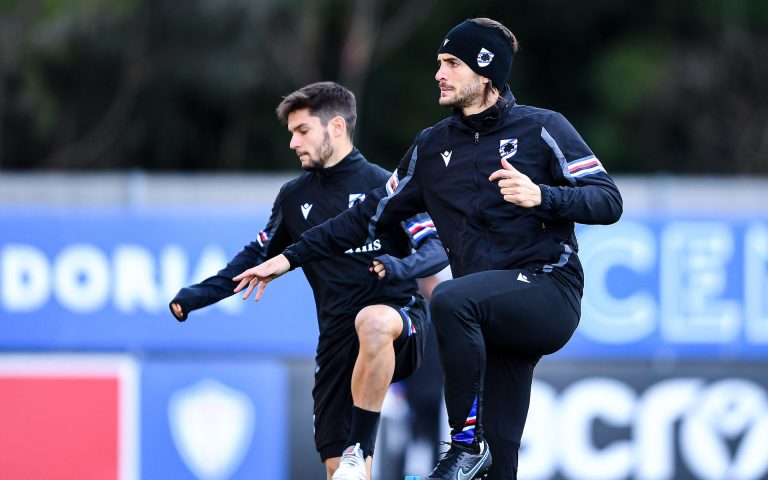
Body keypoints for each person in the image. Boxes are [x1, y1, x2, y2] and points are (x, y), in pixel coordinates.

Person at [234, 18, 623, 480]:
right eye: (439, 62)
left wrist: (543, 195)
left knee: (452, 298)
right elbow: (364, 217)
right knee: (500, 466)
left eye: (452, 63)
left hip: (549, 292)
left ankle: (463, 442)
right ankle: (477, 455)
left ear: (486, 73)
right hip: (490, 315)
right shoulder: (432, 146)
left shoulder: (543, 129)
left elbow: (608, 200)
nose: (439, 73)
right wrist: (287, 257)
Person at [169, 81, 448, 480]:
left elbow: (436, 248)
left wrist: (401, 269)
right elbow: (257, 257)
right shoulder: (293, 198)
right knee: (340, 475)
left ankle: (360, 446)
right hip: (337, 342)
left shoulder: (387, 186)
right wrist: (196, 296)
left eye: (302, 131)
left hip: (400, 322)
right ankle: (352, 460)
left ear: (336, 127)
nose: (293, 143)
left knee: (373, 321)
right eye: (291, 134)